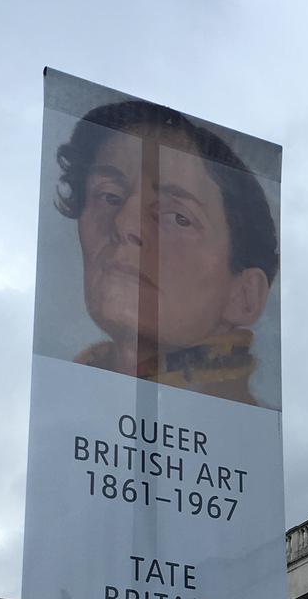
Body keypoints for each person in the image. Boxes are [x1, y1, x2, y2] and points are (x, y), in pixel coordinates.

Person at [55, 99, 279, 406]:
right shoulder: (62, 410)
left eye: (178, 217)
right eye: (110, 196)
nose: (123, 223)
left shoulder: (242, 443)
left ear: (244, 295)